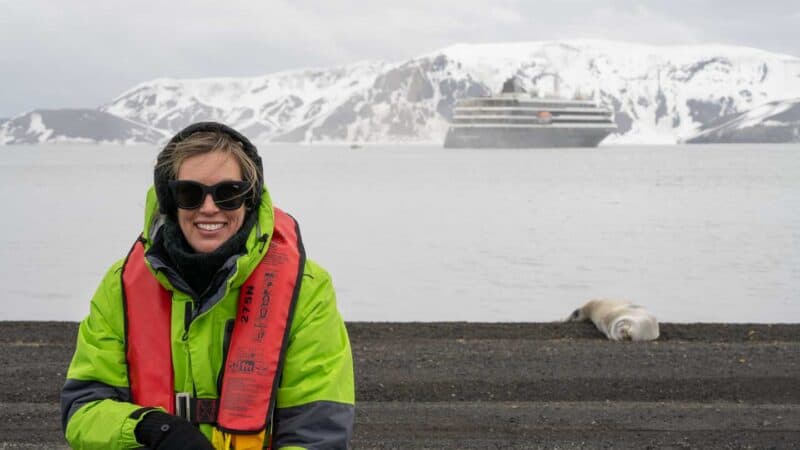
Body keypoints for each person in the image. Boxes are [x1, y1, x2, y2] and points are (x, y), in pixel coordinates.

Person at [61, 122, 355, 449]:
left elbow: (318, 433)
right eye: (190, 193)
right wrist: (151, 429)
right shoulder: (120, 287)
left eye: (228, 193)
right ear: (171, 200)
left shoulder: (307, 290)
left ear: (249, 198)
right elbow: (83, 411)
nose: (209, 208)